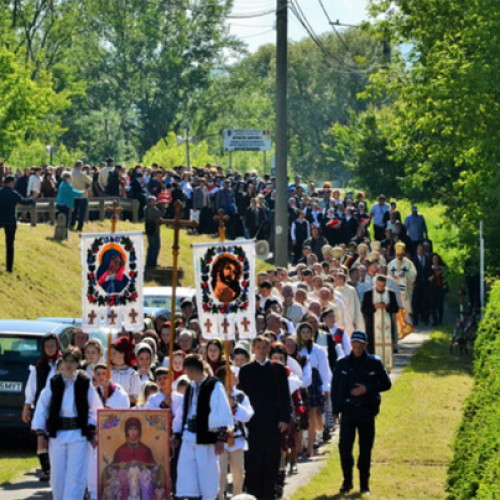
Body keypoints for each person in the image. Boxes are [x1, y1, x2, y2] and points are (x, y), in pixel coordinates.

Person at [32, 347, 102, 500]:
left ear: (78, 364)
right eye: (66, 361)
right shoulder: (54, 382)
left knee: (75, 476)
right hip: (58, 434)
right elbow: (42, 406)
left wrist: (91, 427)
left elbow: (96, 407)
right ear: (61, 362)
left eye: (72, 361)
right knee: (57, 476)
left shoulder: (84, 383)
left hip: (78, 434)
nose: (69, 365)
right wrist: (40, 432)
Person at [331, 330, 392, 495]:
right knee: (344, 447)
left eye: (360, 347)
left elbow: (386, 384)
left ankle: (364, 484)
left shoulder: (374, 363)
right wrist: (335, 411)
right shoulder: (342, 363)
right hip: (348, 412)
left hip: (366, 411)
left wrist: (367, 389)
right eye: (354, 346)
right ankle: (347, 481)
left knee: (365, 449)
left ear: (365, 346)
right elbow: (335, 388)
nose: (356, 350)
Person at [173, 354, 234, 500]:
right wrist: (176, 433)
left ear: (191, 370)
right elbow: (183, 412)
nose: (186, 374)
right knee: (187, 477)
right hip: (188, 437)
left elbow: (222, 412)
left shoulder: (214, 385)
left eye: (186, 371)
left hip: (206, 439)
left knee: (207, 477)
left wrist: (220, 438)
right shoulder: (190, 388)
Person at [238, 336, 291, 500]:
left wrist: (284, 418)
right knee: (254, 463)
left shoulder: (277, 370)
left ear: (268, 349)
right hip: (253, 424)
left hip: (272, 423)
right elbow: (242, 396)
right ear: (253, 349)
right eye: (258, 347)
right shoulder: (246, 370)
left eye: (264, 347)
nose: (261, 350)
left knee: (270, 462)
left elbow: (284, 396)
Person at [22, 333, 62, 481]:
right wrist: (27, 406)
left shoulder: (63, 364)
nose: (50, 348)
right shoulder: (39, 366)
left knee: (54, 439)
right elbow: (31, 388)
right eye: (47, 346)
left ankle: (56, 468)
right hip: (41, 406)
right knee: (41, 438)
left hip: (58, 407)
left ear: (57, 346)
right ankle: (46, 470)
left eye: (52, 345)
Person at [361, 275, 399, 368]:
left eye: (382, 285)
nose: (380, 287)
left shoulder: (390, 293)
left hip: (387, 327)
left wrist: (387, 307)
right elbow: (364, 309)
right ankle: (373, 366)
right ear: (375, 284)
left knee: (387, 345)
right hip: (372, 327)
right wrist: (374, 307)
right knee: (372, 346)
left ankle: (387, 366)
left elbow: (396, 309)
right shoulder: (368, 293)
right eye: (379, 285)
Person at [0, 175, 34, 272]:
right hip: (10, 220)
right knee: (10, 245)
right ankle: (9, 268)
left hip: (0, 219)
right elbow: (24, 201)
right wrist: (32, 199)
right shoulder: (14, 194)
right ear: (10, 183)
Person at [70, 160, 92, 231]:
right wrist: (87, 174)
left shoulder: (70, 173)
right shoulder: (81, 174)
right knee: (82, 212)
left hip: (73, 194)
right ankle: (79, 226)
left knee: (74, 211)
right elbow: (90, 180)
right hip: (82, 195)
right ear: (80, 166)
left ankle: (72, 223)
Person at [144, 195, 162, 268]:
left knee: (151, 247)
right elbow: (160, 215)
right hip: (154, 230)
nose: (155, 202)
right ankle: (152, 263)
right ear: (150, 202)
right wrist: (162, 207)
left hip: (149, 229)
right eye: (153, 201)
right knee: (155, 247)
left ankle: (149, 262)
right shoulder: (153, 209)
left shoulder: (146, 209)